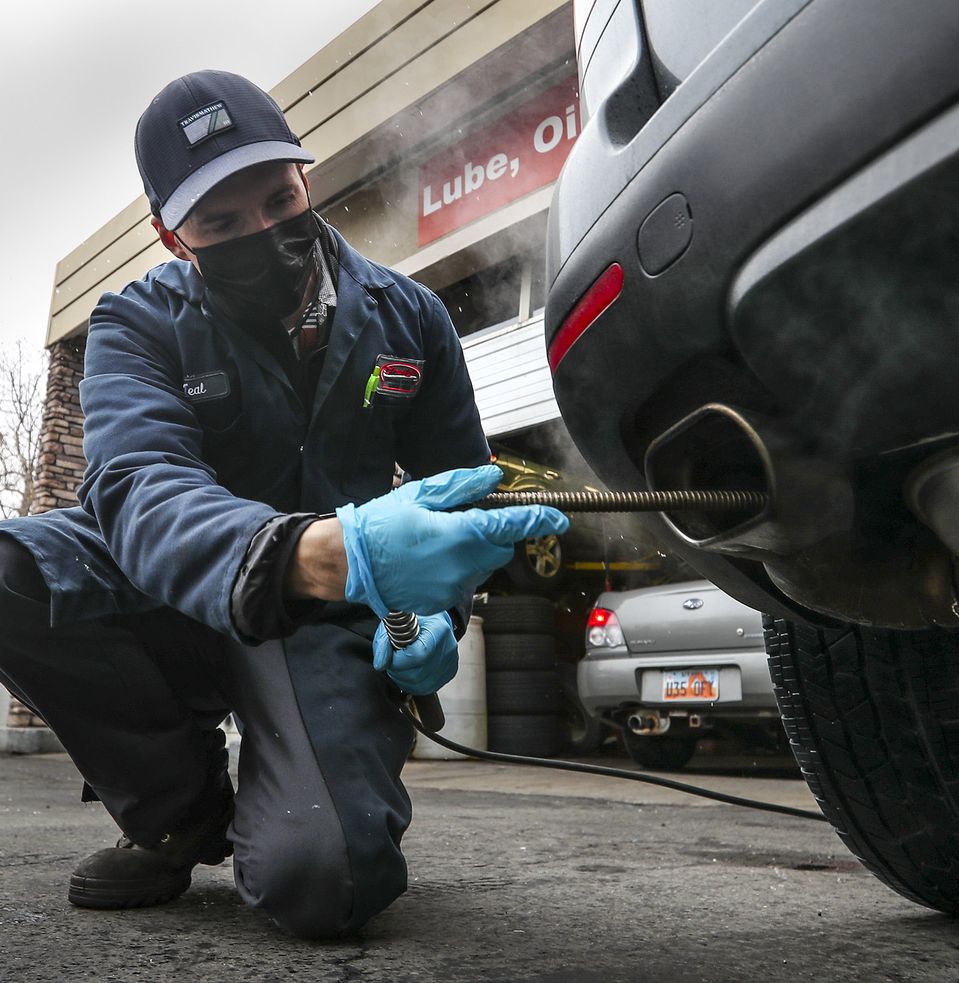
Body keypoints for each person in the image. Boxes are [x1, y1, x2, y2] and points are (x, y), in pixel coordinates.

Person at [0, 70, 567, 938]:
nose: (263, 233)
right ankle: (179, 807)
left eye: (278, 198)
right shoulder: (137, 324)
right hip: (178, 592)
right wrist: (319, 548)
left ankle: (306, 788)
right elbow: (138, 490)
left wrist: (437, 615)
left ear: (307, 179)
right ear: (171, 233)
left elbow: (461, 497)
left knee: (324, 882)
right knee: (9, 569)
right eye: (222, 223)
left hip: (328, 620)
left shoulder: (410, 317)